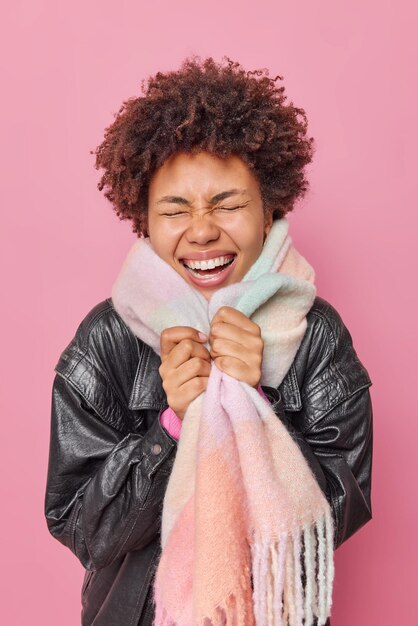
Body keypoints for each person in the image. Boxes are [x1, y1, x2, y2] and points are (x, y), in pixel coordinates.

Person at [44, 56, 373, 626]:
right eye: (175, 209)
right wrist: (169, 426)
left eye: (228, 204)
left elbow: (342, 515)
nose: (201, 230)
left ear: (269, 211)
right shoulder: (107, 340)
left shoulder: (315, 333)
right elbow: (81, 526)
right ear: (143, 220)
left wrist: (258, 407)